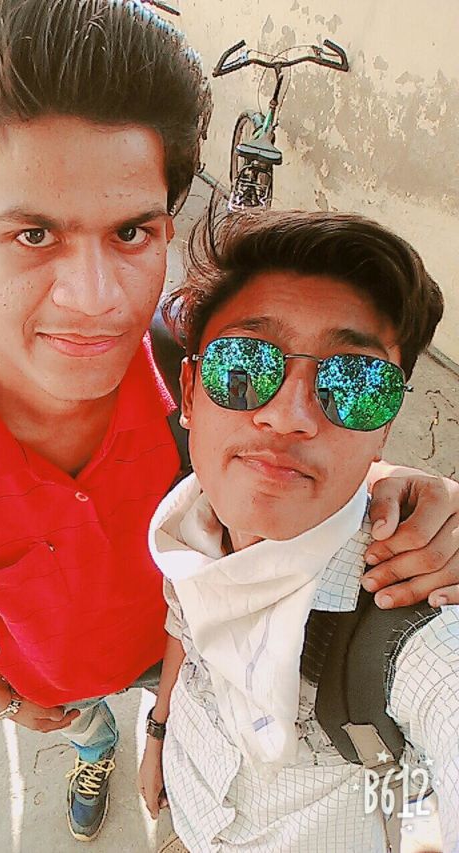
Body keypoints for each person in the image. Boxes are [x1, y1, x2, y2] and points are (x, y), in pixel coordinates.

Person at [0, 0, 459, 844]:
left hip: (187, 653)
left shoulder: (211, 361)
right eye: (34, 233)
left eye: (130, 231)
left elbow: (292, 434)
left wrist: (400, 492)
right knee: (86, 723)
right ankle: (95, 746)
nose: (95, 300)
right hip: (49, 683)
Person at [140, 208, 458, 852]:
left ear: (384, 431)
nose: (289, 416)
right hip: (192, 804)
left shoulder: (415, 618)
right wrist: (159, 732)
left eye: (355, 383)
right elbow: (188, 625)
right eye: (244, 365)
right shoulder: (190, 520)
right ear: (191, 392)